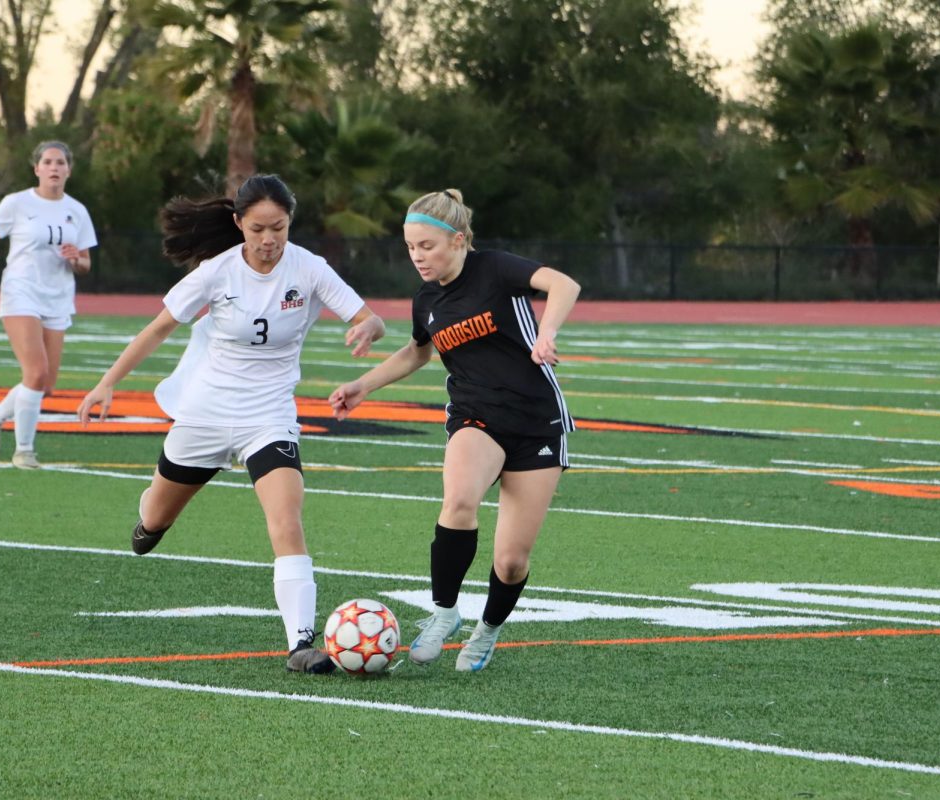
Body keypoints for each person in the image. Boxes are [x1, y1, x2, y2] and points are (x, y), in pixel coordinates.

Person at [76, 174, 386, 674]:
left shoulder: (309, 268)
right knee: (154, 519)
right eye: (259, 228)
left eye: (280, 228)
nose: (269, 240)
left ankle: (300, 643)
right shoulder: (215, 273)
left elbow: (367, 316)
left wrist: (369, 325)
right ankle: (152, 520)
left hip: (268, 416)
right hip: (205, 414)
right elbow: (158, 328)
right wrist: (106, 383)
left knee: (287, 519)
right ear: (239, 223)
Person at [328, 189, 581, 672]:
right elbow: (418, 351)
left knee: (510, 561)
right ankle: (445, 612)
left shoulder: (496, 268)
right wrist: (363, 385)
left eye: (426, 246)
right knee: (459, 500)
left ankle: (487, 630)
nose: (417, 256)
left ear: (458, 240)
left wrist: (547, 332)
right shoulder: (426, 298)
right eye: (410, 247)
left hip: (536, 421)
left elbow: (564, 284)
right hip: (475, 416)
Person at [0, 141, 97, 469]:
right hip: (20, 292)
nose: (54, 167)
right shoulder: (17, 203)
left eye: (60, 162)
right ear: (37, 168)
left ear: (69, 170)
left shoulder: (77, 211)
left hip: (58, 297)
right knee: (36, 372)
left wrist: (76, 260)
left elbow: (85, 264)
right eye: (48, 161)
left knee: (46, 382)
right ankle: (24, 451)